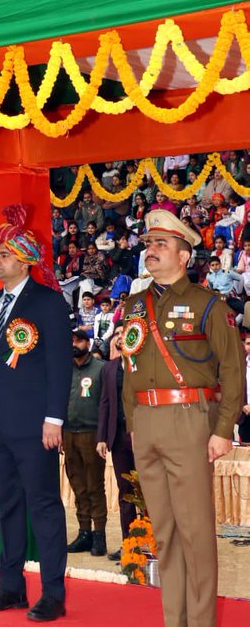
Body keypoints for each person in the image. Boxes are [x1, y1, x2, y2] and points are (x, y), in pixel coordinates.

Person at [122, 209, 244, 627]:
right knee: (167, 535)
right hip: (147, 419)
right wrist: (133, 422)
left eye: (161, 245)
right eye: (148, 245)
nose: (150, 252)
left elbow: (232, 367)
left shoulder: (208, 304)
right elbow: (129, 367)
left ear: (184, 255)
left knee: (195, 534)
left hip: (190, 419)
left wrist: (222, 429)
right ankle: (175, 620)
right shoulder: (135, 304)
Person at [0, 227, 71, 622]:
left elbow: (59, 364)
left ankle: (53, 593)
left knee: (43, 504)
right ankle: (10, 585)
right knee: (6, 504)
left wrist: (54, 418)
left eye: (6, 255)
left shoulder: (48, 302)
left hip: (35, 423)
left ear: (25, 260)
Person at [63, 330, 107, 557]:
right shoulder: (64, 368)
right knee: (78, 485)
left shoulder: (101, 369)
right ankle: (84, 533)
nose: (74, 344)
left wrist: (103, 436)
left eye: (78, 340)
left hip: (91, 434)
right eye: (71, 340)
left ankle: (99, 535)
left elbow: (106, 403)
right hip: (69, 432)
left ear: (87, 343)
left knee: (95, 486)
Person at [96, 323, 135, 558]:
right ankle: (128, 544)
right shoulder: (109, 369)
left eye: (124, 334)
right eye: (117, 334)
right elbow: (105, 403)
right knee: (125, 492)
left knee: (149, 492)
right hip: (118, 437)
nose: (120, 337)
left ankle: (153, 544)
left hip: (142, 436)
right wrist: (101, 437)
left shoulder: (143, 365)